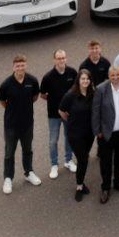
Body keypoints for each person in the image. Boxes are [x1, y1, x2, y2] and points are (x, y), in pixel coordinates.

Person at [92, 65, 119, 204]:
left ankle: (118, 182)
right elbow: (95, 112)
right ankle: (105, 187)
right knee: (105, 162)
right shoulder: (101, 89)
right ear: (109, 76)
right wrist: (97, 131)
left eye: (118, 75)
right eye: (112, 75)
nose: (115, 78)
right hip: (106, 134)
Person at [0, 55, 42, 194]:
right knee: (9, 153)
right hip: (11, 125)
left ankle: (28, 172)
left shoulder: (32, 81)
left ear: (26, 65)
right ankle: (8, 178)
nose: (20, 68)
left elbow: (35, 97)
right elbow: (2, 101)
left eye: (22, 65)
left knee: (27, 150)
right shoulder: (6, 84)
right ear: (13, 67)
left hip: (27, 124)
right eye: (17, 66)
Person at [40, 49, 78, 179]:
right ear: (54, 60)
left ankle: (68, 161)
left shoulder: (72, 73)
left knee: (69, 137)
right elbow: (43, 95)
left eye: (63, 58)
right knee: (53, 140)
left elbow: (76, 90)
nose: (61, 60)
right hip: (54, 115)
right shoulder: (48, 77)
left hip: (69, 113)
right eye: (59, 58)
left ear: (66, 59)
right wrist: (54, 102)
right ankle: (54, 165)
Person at [59, 69, 95, 201]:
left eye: (87, 79)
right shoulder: (70, 95)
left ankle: (80, 182)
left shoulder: (93, 93)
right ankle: (79, 186)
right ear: (78, 80)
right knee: (83, 159)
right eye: (82, 79)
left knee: (84, 158)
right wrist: (71, 121)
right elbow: (61, 111)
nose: (85, 81)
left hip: (90, 133)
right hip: (75, 134)